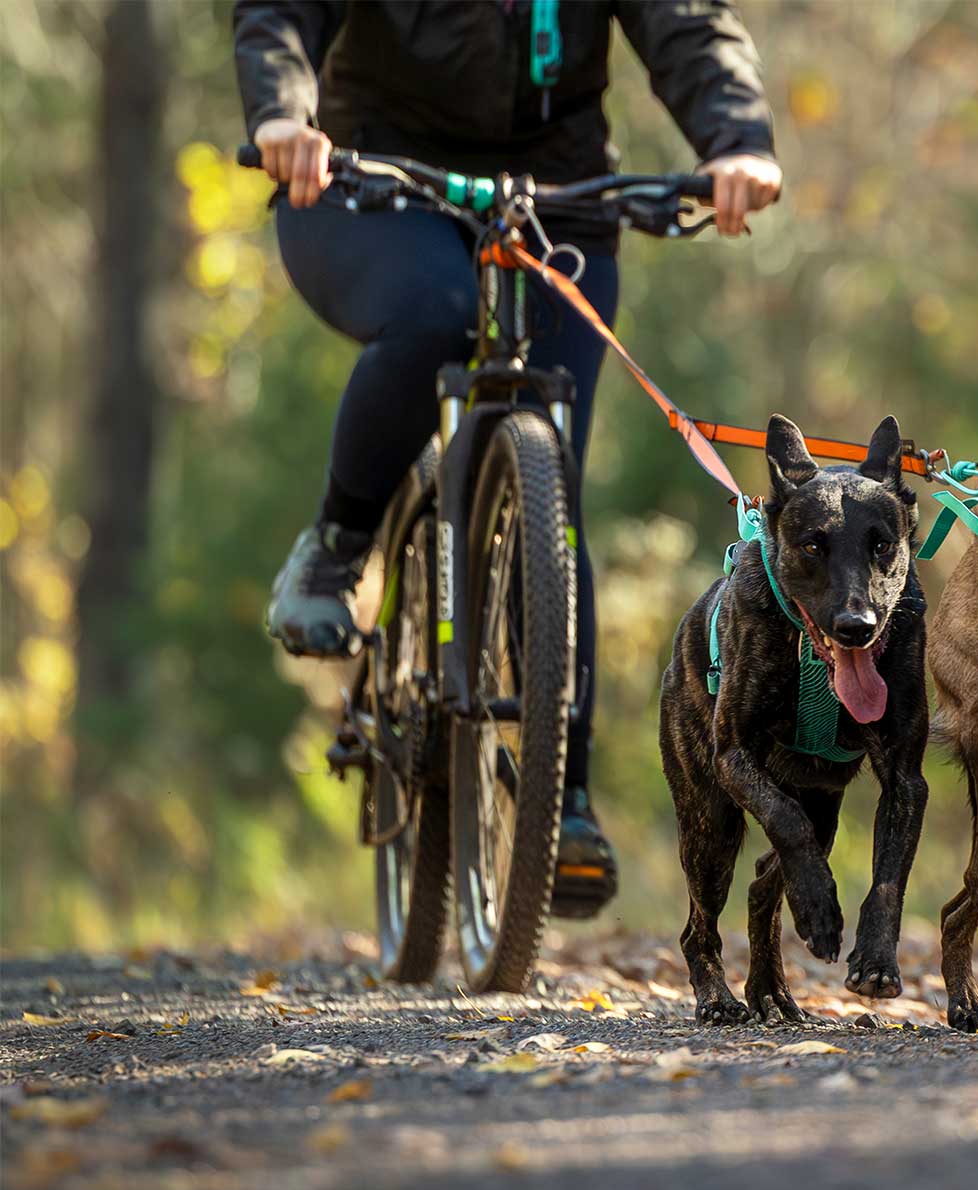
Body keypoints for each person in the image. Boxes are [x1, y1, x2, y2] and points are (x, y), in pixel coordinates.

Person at [234, 1, 781, 918]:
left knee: (551, 470)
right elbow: (280, 12)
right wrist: (285, 116)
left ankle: (561, 797)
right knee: (435, 315)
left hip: (554, 190)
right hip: (370, 179)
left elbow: (685, 22)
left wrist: (738, 139)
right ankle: (339, 541)